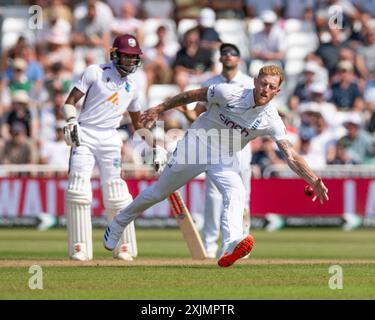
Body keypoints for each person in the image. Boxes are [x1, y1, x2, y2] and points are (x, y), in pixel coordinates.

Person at [103, 65, 329, 268]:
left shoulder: (271, 119)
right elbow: (191, 95)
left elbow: (290, 155)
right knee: (160, 192)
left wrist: (312, 179)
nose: (266, 89)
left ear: (277, 92)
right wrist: (159, 108)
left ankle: (231, 243)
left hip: (225, 157)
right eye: (263, 83)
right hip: (197, 145)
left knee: (236, 192)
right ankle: (119, 222)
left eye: (271, 87)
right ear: (255, 82)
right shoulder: (228, 92)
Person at [62, 34, 167, 261]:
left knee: (116, 192)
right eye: (126, 57)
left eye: (133, 58)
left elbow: (139, 125)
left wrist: (155, 148)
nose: (130, 62)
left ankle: (124, 247)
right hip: (86, 134)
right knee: (79, 189)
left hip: (110, 138)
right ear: (115, 54)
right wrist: (71, 122)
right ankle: (79, 248)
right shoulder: (95, 72)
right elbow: (70, 102)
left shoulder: (133, 86)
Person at [179, 43, 254, 258]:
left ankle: (241, 242)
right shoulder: (210, 84)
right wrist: (186, 112)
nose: (228, 56)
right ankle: (210, 245)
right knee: (214, 197)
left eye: (233, 53)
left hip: (241, 146)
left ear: (239, 59)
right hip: (218, 145)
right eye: (224, 54)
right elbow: (197, 116)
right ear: (220, 59)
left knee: (242, 197)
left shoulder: (249, 84)